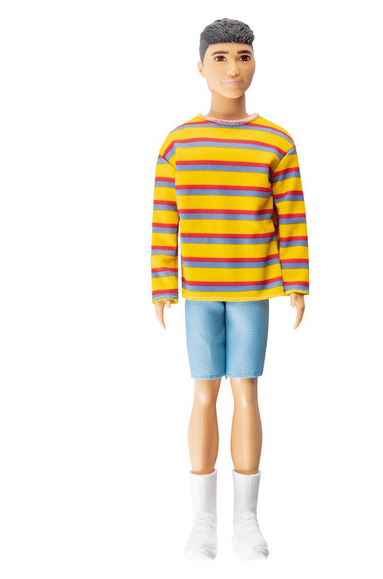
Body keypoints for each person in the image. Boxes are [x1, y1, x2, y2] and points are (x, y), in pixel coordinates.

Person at [150, 18, 310, 560]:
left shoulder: (275, 142)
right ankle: (202, 521)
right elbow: (164, 218)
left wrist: (297, 281)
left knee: (246, 391)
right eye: (220, 57)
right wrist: (161, 284)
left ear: (255, 63)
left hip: (252, 289)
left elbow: (291, 217)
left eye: (243, 56)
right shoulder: (178, 143)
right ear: (200, 67)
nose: (233, 68)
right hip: (198, 289)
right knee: (203, 392)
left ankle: (246, 519)